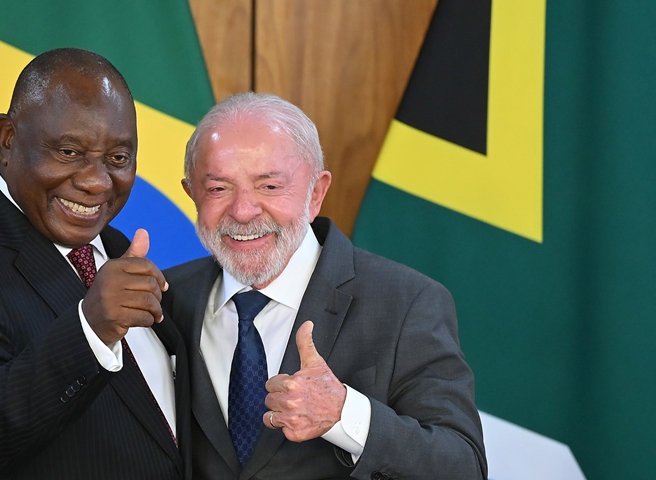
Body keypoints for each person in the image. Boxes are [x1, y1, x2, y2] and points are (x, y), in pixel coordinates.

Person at [0, 48, 190, 480]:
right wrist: (90, 330)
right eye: (69, 152)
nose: (96, 181)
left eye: (118, 158)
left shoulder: (112, 247)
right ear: (7, 139)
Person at [162, 92, 488, 480]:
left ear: (316, 193)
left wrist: (344, 413)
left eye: (269, 187)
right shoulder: (165, 299)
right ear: (191, 193)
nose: (243, 210)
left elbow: (462, 466)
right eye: (218, 189)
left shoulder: (407, 302)